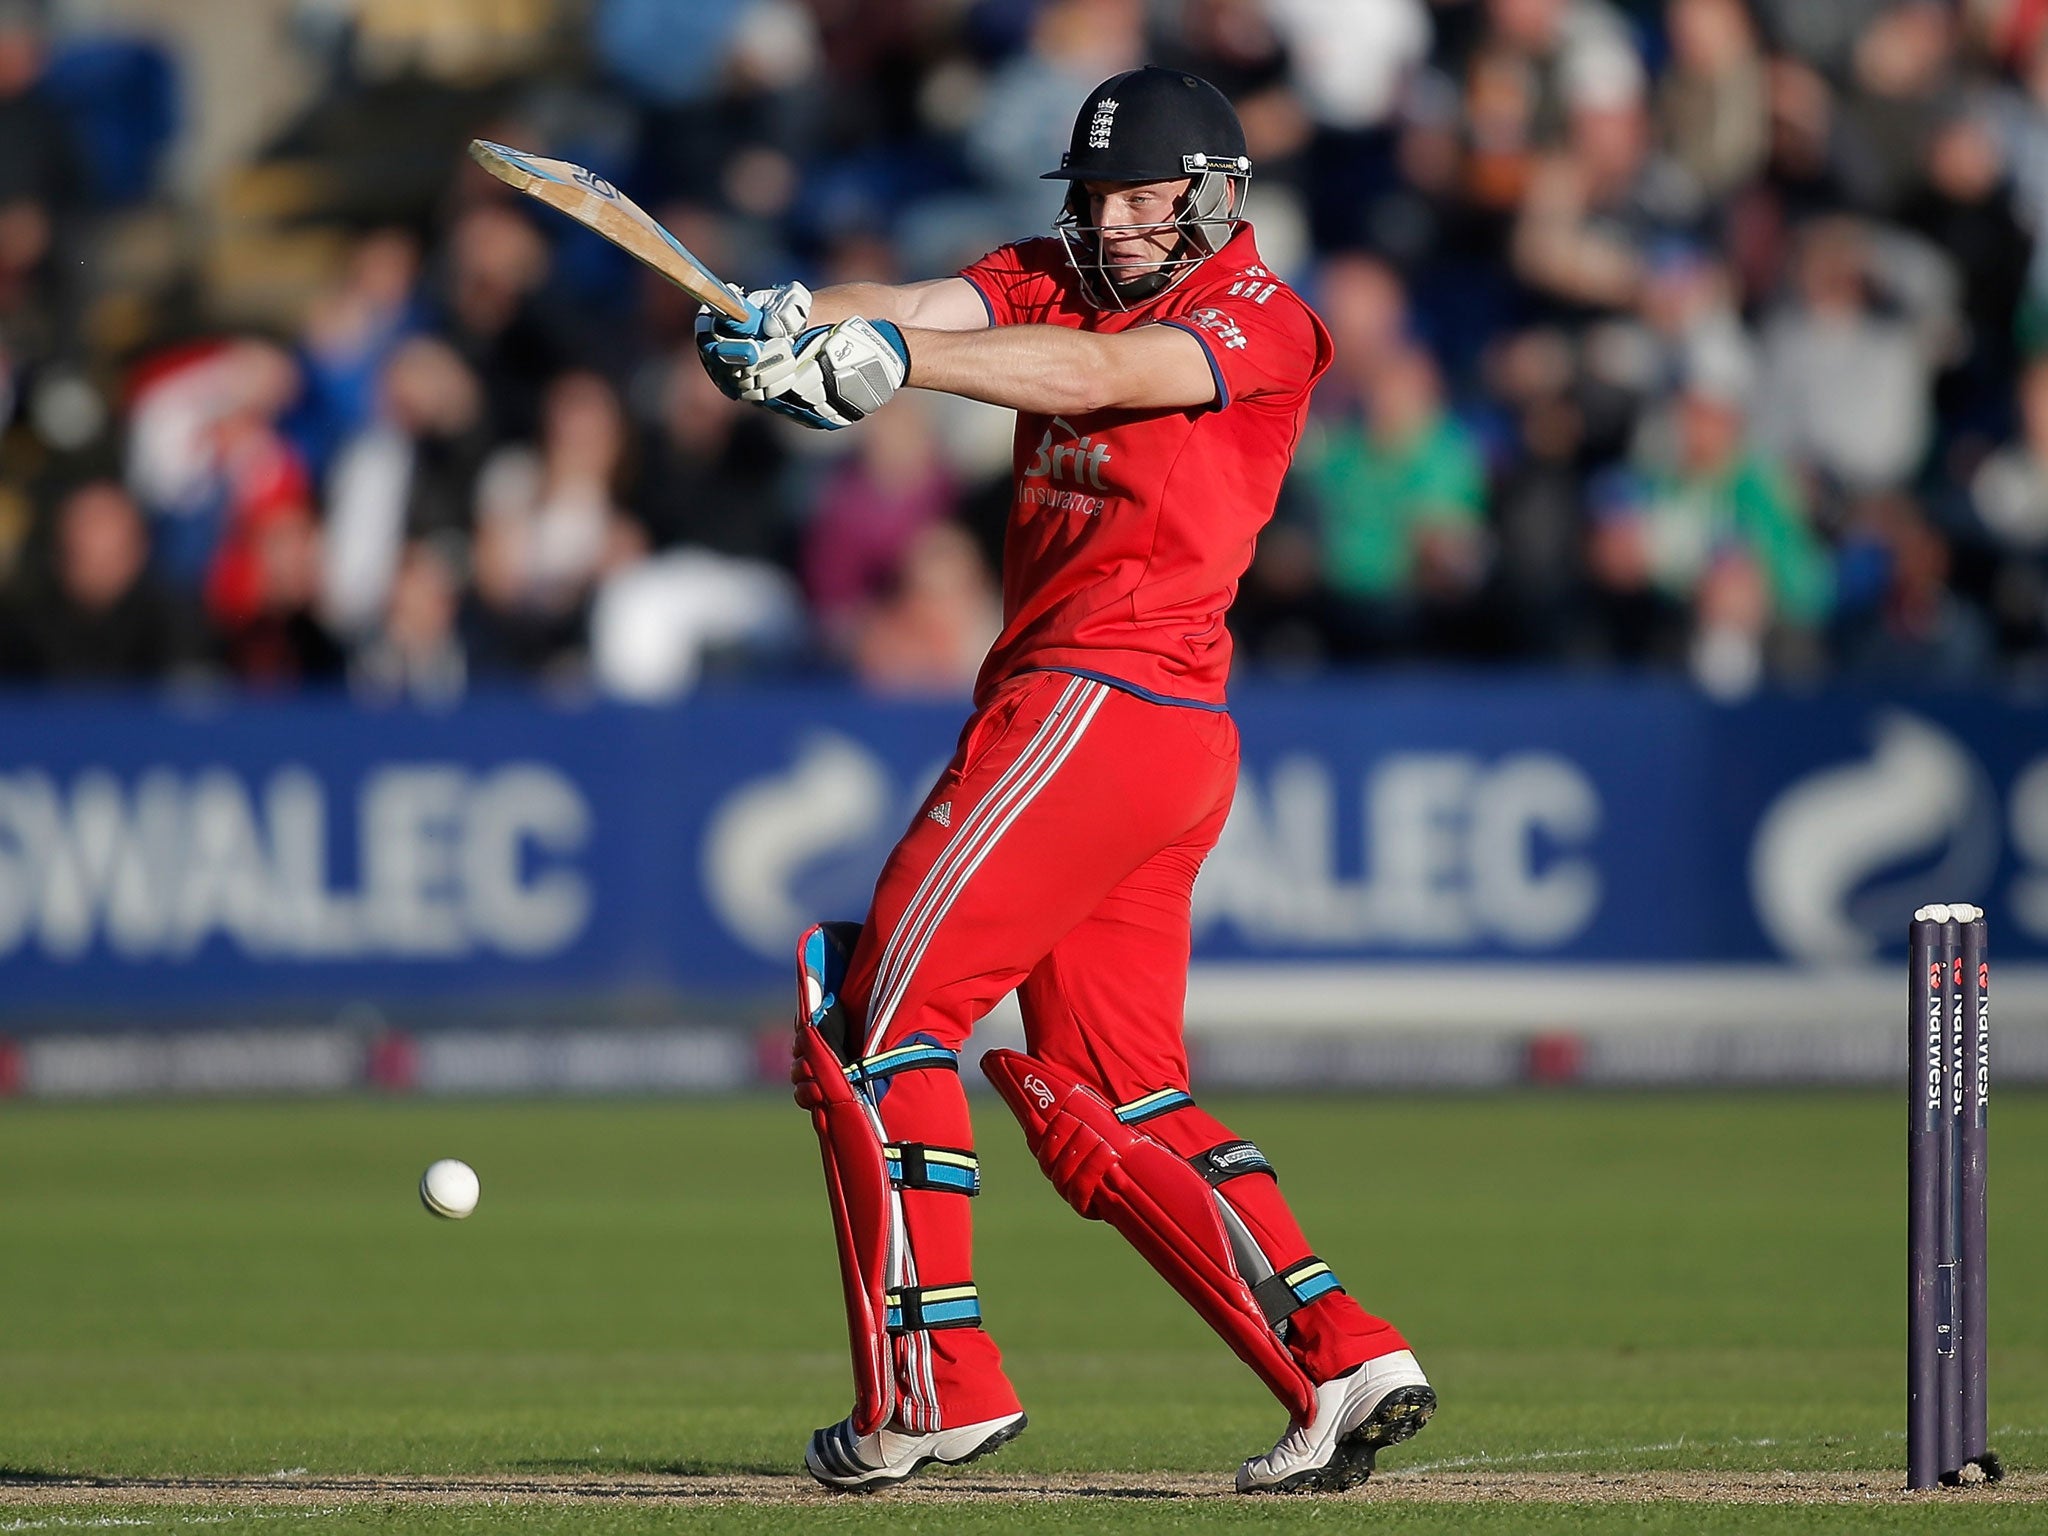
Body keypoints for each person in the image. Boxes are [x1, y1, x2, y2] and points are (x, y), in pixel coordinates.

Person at [699, 66, 1434, 1495]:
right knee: (1108, 1097)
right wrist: (802, 326)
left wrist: (887, 362)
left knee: (865, 1022)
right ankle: (1340, 1353)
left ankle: (929, 1388)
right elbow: (935, 307)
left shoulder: (1260, 317)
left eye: (1145, 197)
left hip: (1096, 704)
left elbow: (1097, 376)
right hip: (1144, 735)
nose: (1113, 221)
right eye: (1096, 196)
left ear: (1218, 192)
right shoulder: (1059, 271)